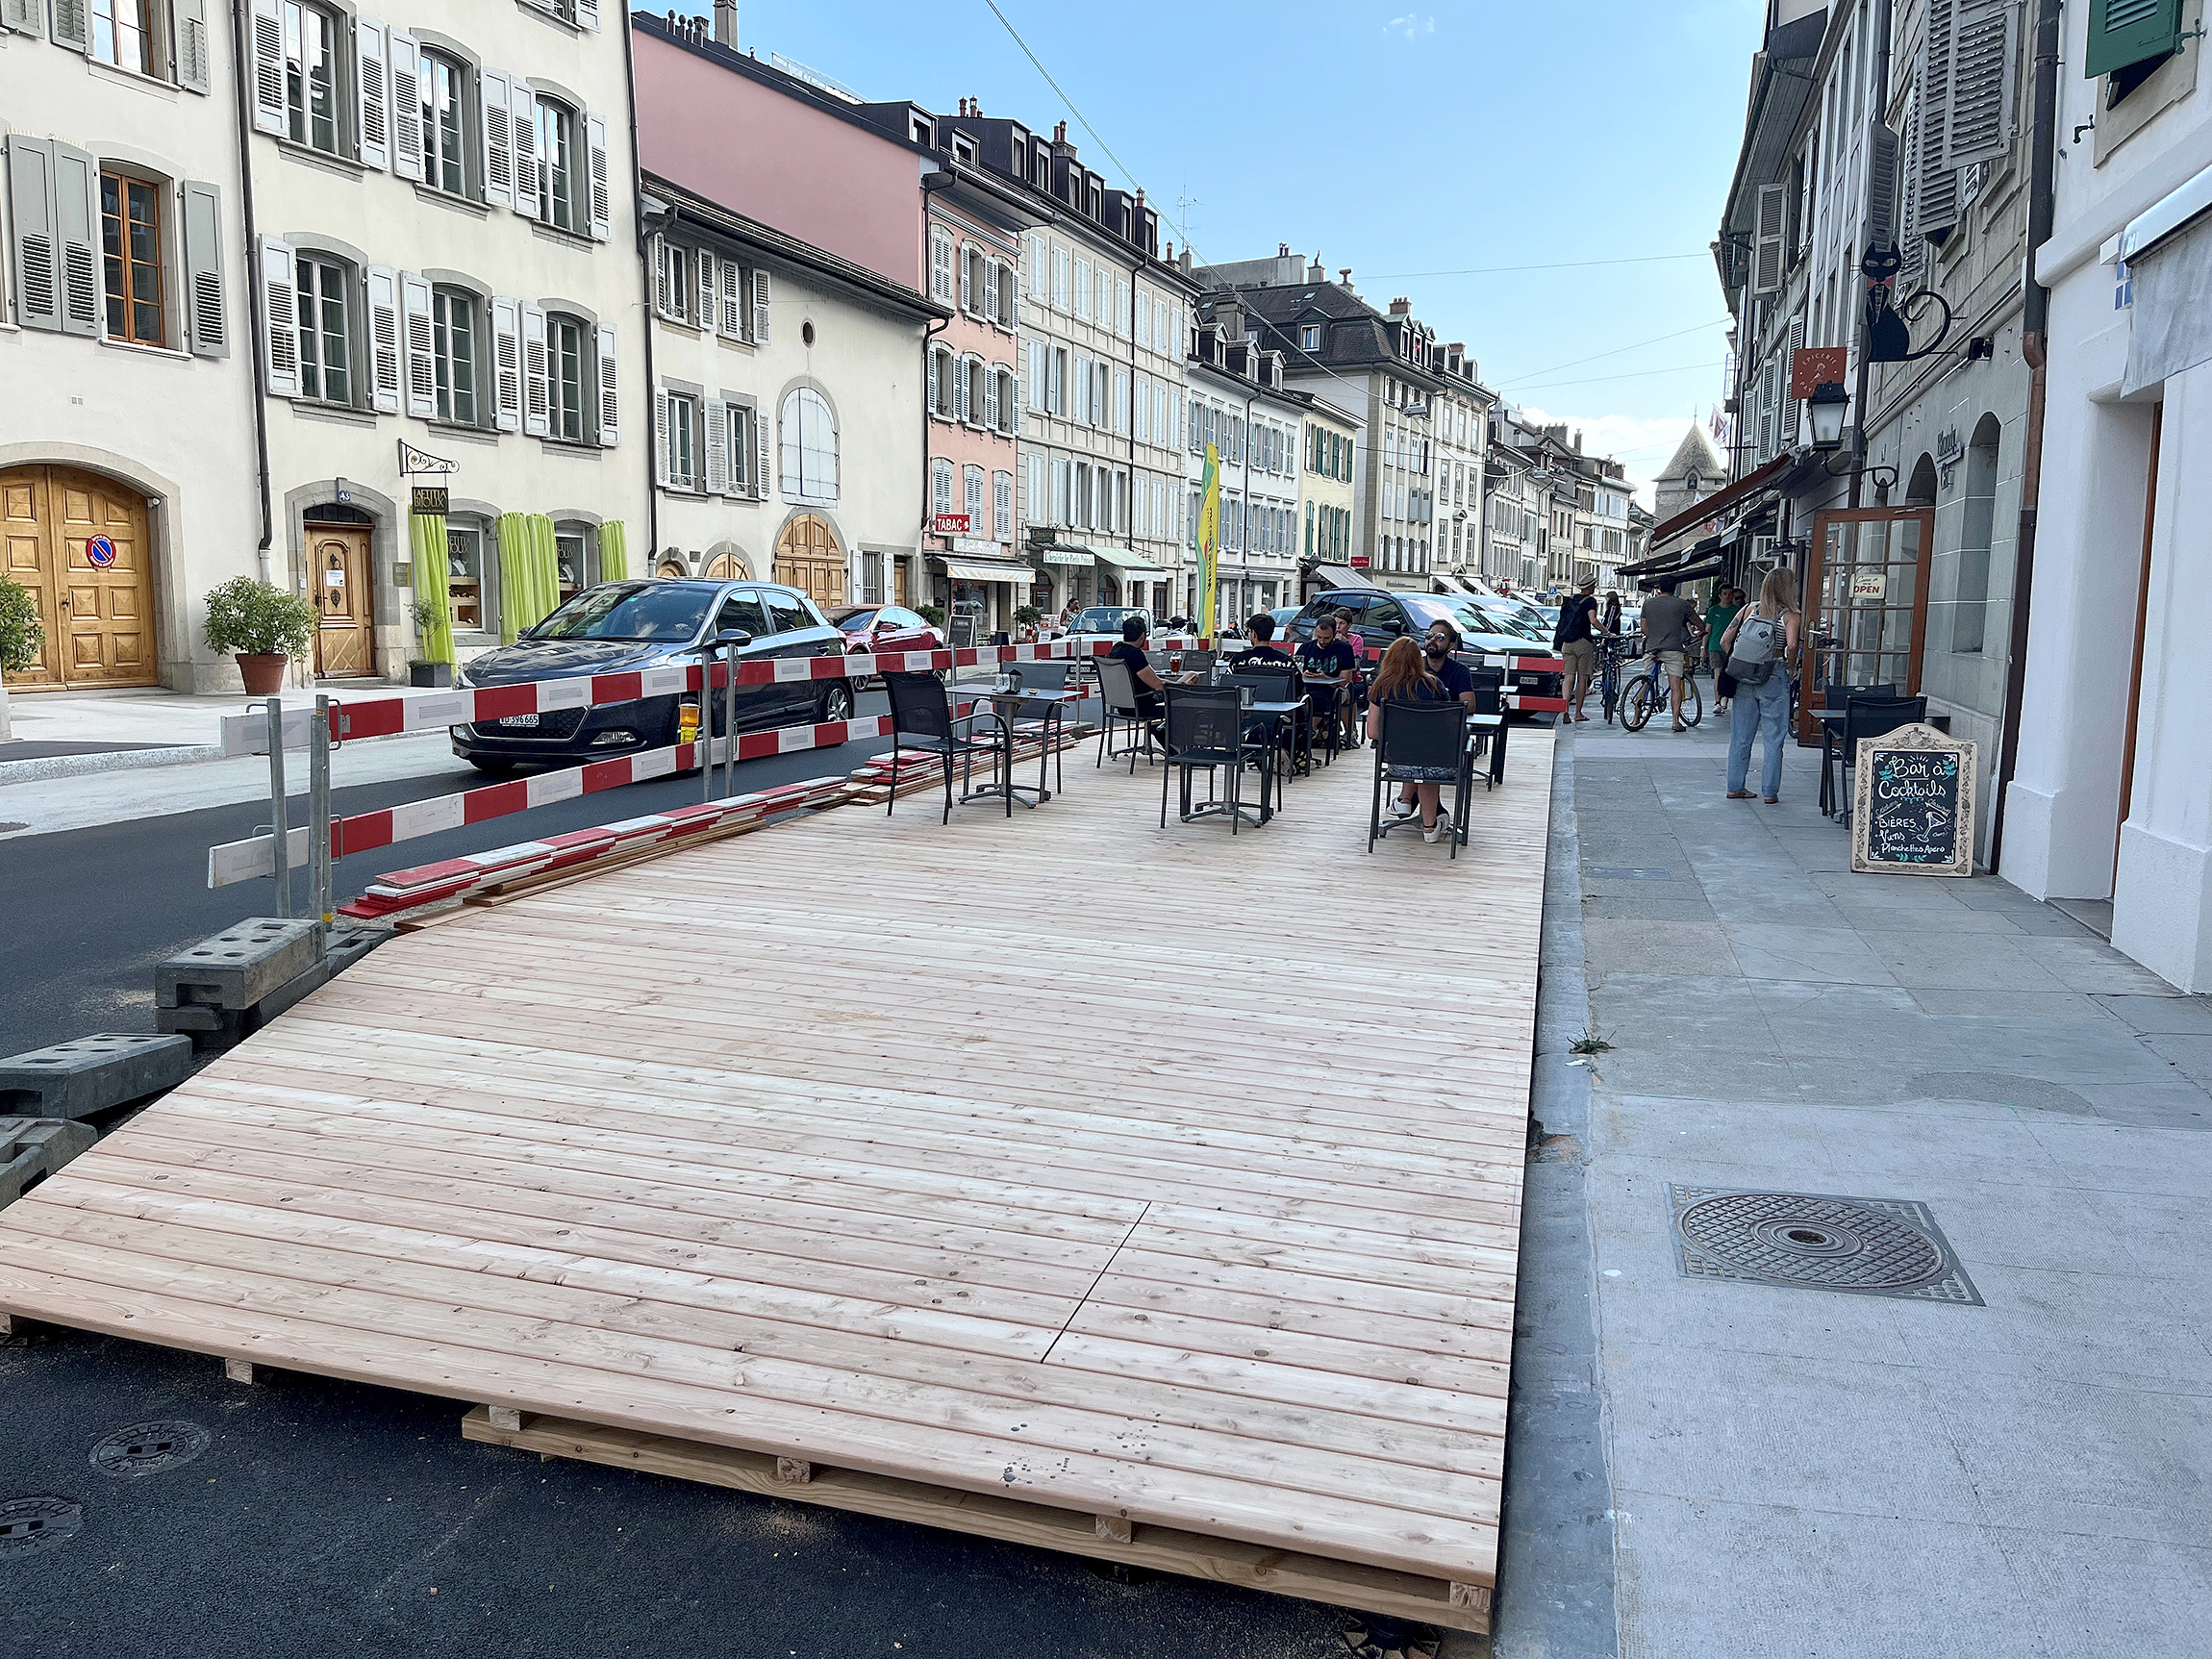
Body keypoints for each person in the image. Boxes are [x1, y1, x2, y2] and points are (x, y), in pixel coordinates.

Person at [1720, 567, 1800, 804]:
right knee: (1774, 738)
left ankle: (1735, 787)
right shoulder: (1790, 615)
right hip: (1773, 675)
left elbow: (1726, 640)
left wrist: (1743, 662)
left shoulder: (1748, 609)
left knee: (1740, 736)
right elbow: (1793, 645)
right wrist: (1791, 667)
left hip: (1744, 677)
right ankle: (1770, 792)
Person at [1366, 638, 1455, 843]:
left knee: (1414, 753)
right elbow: (1449, 724)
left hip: (1399, 763)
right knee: (1427, 761)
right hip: (1438, 763)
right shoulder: (1434, 684)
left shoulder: (1382, 687)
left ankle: (1405, 800)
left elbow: (1372, 732)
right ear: (1418, 659)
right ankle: (1430, 827)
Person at [1638, 575, 1697, 732]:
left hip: (1652, 647)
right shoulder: (1681, 604)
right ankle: (1675, 722)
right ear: (1674, 588)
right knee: (1675, 685)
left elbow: (1644, 627)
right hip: (1673, 648)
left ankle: (1636, 716)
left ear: (1659, 589)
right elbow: (1698, 622)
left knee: (1646, 679)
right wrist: (1702, 630)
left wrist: (1653, 637)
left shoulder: (1648, 603)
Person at [1295, 613, 1360, 746]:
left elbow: (1344, 680)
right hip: (1309, 688)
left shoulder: (1344, 649)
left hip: (1334, 689)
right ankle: (1306, 731)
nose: (1322, 641)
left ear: (1334, 633)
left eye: (1326, 638)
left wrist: (1326, 678)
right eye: (1319, 637)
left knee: (1320, 697)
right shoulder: (1305, 648)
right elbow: (1295, 672)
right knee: (1310, 697)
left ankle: (1308, 731)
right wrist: (1304, 674)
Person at [1107, 614, 1170, 749]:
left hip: (1121, 705)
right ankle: (1178, 750)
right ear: (1142, 636)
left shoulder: (1115, 650)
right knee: (1179, 703)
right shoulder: (1135, 654)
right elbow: (1157, 685)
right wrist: (1179, 685)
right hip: (1140, 705)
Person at [1553, 576, 1599, 723]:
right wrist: (1606, 631)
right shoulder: (1590, 601)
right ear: (1590, 587)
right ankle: (1578, 713)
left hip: (1567, 642)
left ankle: (1565, 709)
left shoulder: (1570, 600)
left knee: (1568, 677)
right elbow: (1593, 620)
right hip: (1583, 642)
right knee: (1582, 679)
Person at [1705, 585, 1744, 712]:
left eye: (1730, 594)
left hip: (1732, 647)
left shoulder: (1737, 611)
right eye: (1725, 594)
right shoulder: (1713, 610)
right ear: (1720, 595)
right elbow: (1708, 630)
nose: (1727, 596)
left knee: (1730, 673)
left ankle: (1725, 700)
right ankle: (1717, 701)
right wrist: (1702, 648)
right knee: (1717, 673)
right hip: (1715, 646)